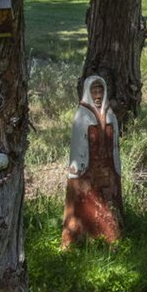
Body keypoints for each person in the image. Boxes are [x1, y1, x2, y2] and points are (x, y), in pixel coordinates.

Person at [61, 73, 123, 246]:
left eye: (100, 91)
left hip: (108, 168)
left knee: (108, 202)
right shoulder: (82, 116)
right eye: (94, 91)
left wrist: (116, 168)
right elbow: (77, 146)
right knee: (84, 202)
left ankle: (110, 237)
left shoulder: (110, 115)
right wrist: (78, 171)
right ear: (88, 92)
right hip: (87, 168)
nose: (97, 95)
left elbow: (115, 145)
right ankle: (81, 237)